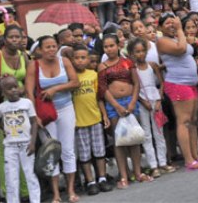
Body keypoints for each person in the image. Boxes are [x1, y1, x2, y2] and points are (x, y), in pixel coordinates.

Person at [24, 36, 80, 203]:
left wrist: (56, 88)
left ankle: (70, 190)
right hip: (45, 113)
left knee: (68, 150)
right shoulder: (34, 65)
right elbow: (29, 92)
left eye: (53, 46)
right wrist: (35, 116)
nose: (51, 50)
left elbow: (75, 82)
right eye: (47, 47)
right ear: (39, 50)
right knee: (51, 152)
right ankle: (56, 193)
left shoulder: (64, 61)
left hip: (65, 108)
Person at [97, 34, 153, 188]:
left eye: (112, 45)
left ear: (118, 46)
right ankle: (124, 175)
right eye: (106, 47)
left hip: (130, 102)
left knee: (134, 138)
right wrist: (116, 106)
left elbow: (136, 83)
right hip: (114, 105)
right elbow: (103, 89)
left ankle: (138, 172)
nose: (109, 49)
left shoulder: (128, 62)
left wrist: (133, 102)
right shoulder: (102, 67)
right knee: (119, 140)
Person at [155, 12, 198, 170]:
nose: (172, 26)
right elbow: (181, 48)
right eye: (168, 24)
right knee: (183, 121)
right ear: (160, 28)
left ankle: (195, 155)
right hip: (178, 84)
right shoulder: (162, 41)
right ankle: (188, 159)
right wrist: (179, 29)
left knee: (192, 121)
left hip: (190, 83)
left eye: (174, 22)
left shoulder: (178, 36)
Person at [70, 45, 114, 195]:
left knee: (99, 151)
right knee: (84, 155)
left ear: (88, 60)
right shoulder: (71, 77)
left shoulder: (93, 75)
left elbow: (99, 98)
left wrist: (104, 115)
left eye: (83, 58)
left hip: (95, 119)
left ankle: (102, 178)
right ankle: (90, 181)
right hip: (79, 122)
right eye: (77, 58)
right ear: (72, 60)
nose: (80, 61)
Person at [128, 37, 172, 177]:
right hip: (143, 104)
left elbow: (161, 83)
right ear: (132, 53)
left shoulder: (152, 65)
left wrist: (159, 99)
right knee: (146, 135)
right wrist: (141, 101)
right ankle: (153, 166)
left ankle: (163, 162)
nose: (140, 54)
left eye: (142, 51)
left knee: (159, 133)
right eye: (137, 52)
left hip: (155, 101)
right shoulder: (132, 69)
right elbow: (133, 87)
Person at [0, 75, 41, 203]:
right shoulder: (1, 107)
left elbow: (34, 122)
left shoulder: (27, 103)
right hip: (10, 146)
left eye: (15, 86)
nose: (14, 90)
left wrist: (32, 142)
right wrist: (5, 130)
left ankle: (35, 200)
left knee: (30, 174)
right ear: (3, 92)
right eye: (9, 88)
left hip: (26, 144)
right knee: (11, 177)